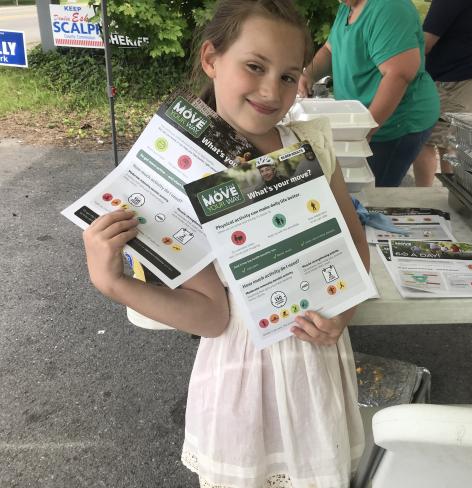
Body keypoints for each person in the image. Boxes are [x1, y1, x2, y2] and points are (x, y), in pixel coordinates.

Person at [81, 1, 369, 487]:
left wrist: (344, 310)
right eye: (254, 67)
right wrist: (110, 281)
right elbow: (211, 316)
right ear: (212, 59)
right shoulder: (178, 170)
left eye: (287, 75)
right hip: (242, 381)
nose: (270, 89)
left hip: (316, 368)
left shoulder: (309, 146)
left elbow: (351, 245)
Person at [298, 0, 439, 188]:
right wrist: (309, 74)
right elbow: (330, 48)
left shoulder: (389, 7)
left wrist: (366, 130)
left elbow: (399, 73)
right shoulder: (348, 6)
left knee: (373, 194)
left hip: (393, 124)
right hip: (361, 123)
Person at [412, 0, 472, 187]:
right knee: (451, 144)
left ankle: (424, 198)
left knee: (422, 138)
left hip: (462, 80)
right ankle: (455, 200)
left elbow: (425, 43)